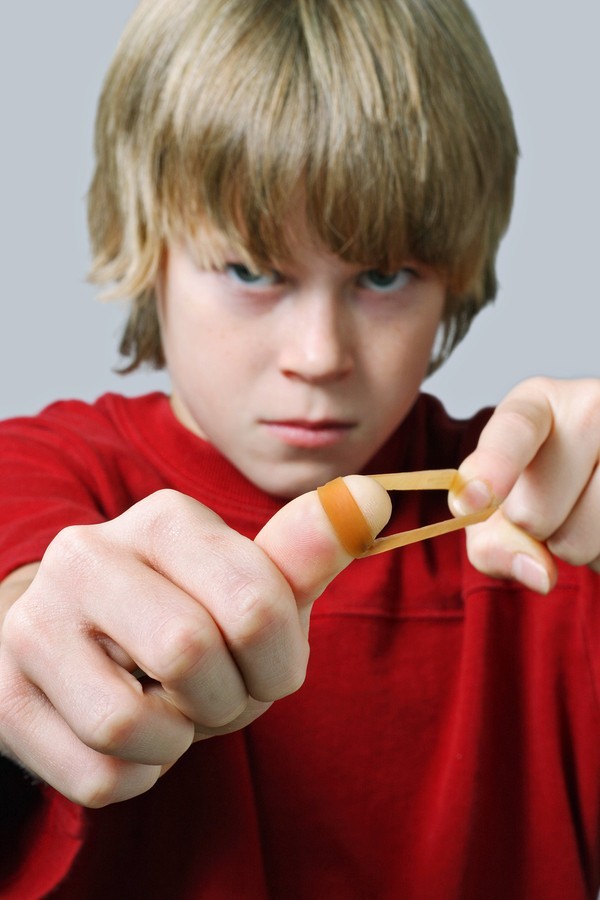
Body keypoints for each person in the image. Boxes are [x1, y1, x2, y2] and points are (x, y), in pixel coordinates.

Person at [0, 0, 599, 897]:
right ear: (146, 248)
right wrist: (35, 649)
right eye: (250, 270)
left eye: (384, 276)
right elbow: (24, 589)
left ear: (456, 277)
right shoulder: (38, 472)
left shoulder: (553, 529)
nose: (318, 357)